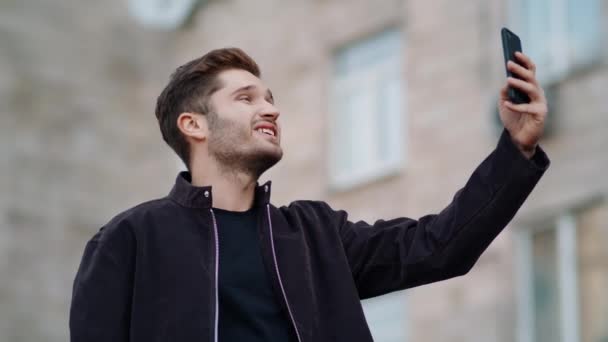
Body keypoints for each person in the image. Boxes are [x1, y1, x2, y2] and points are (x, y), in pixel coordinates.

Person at [69, 47, 550, 342]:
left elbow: (440, 246)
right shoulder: (130, 239)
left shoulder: (315, 234)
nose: (270, 110)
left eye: (271, 99)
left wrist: (516, 149)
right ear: (193, 125)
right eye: (246, 98)